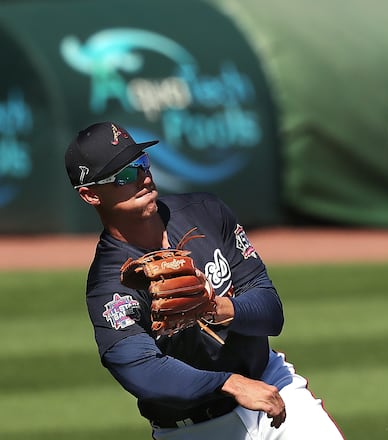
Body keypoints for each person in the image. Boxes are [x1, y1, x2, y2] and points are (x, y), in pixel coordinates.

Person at [64, 121, 345, 440]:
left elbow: (270, 310)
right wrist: (231, 384)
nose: (142, 177)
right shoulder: (109, 286)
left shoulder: (206, 212)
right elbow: (140, 368)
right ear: (90, 195)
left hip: (272, 385)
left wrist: (215, 306)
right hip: (193, 430)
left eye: (142, 163)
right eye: (124, 175)